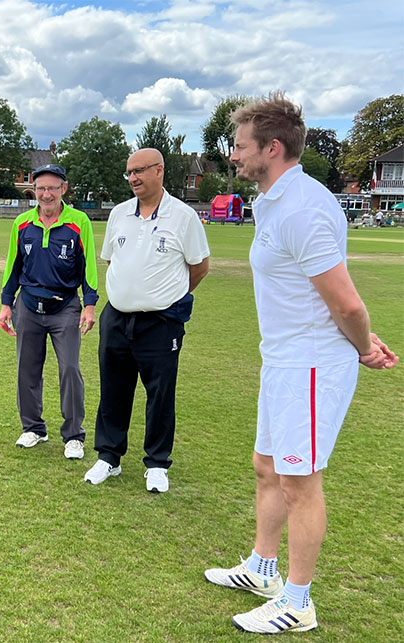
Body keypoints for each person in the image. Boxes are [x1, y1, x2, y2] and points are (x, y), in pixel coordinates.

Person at [204, 92, 398, 634]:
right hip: (283, 359)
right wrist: (353, 332)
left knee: (299, 482)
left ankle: (298, 601)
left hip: (311, 365)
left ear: (272, 146)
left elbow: (347, 302)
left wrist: (360, 345)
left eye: (240, 146)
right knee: (266, 466)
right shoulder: (272, 199)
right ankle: (262, 570)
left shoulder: (303, 206)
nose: (234, 155)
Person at [84, 149, 210, 492]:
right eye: (129, 172)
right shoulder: (119, 214)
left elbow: (199, 267)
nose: (134, 178)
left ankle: (157, 463)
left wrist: (167, 297)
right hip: (117, 319)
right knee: (113, 390)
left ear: (160, 171)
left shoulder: (183, 217)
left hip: (161, 323)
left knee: (160, 393)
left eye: (140, 171)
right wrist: (130, 294)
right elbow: (114, 261)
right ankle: (109, 458)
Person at [0, 163, 98, 460]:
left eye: (52, 188)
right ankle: (33, 429)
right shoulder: (22, 223)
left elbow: (88, 266)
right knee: (26, 369)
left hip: (65, 306)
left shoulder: (79, 222)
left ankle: (73, 436)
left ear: (63, 189)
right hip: (27, 305)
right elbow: (12, 266)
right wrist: (6, 303)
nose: (46, 194)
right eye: (41, 188)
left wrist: (89, 305)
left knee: (69, 369)